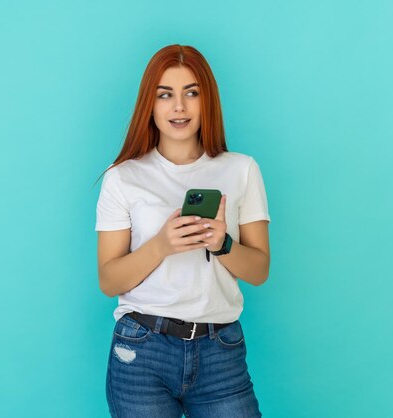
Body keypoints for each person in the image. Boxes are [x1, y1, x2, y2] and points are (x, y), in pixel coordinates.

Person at [94, 44, 270, 418]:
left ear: (207, 101)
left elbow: (258, 271)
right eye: (165, 95)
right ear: (150, 104)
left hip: (220, 349)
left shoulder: (242, 170)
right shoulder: (122, 176)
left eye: (192, 93)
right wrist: (161, 245)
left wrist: (222, 244)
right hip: (141, 350)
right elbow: (109, 280)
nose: (179, 107)